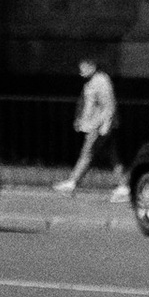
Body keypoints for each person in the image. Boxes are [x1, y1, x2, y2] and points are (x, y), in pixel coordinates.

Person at [60, 55, 120, 196]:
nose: (81, 71)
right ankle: (123, 184)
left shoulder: (101, 81)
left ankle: (73, 181)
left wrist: (106, 125)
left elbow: (109, 105)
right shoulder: (91, 81)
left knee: (87, 153)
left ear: (92, 66)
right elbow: (87, 105)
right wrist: (80, 120)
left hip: (98, 126)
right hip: (94, 125)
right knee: (112, 156)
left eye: (84, 68)